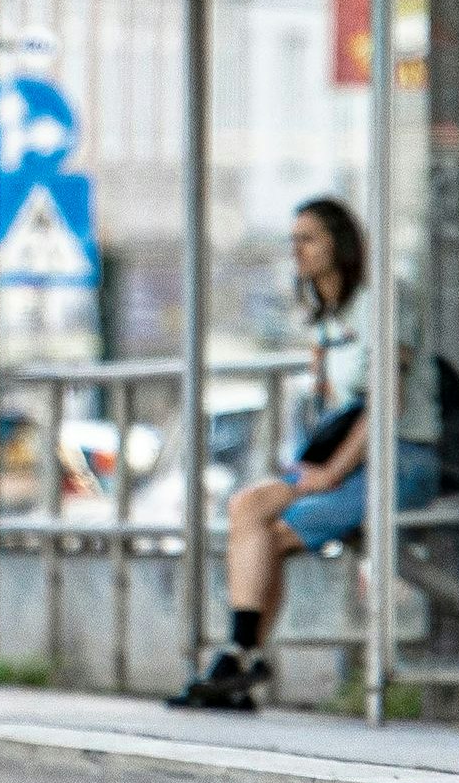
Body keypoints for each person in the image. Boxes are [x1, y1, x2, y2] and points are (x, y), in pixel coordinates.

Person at [169, 196, 442, 711]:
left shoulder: (383, 302)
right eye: (292, 239)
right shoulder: (324, 318)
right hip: (349, 461)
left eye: (308, 238)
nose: (297, 250)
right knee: (248, 510)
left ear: (338, 243)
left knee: (267, 534)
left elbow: (386, 400)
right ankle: (240, 661)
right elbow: (333, 409)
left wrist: (330, 473)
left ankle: (240, 661)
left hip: (400, 458)